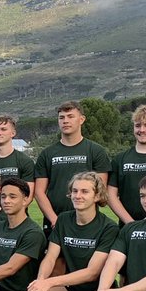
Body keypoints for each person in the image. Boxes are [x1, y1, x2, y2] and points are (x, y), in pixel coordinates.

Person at [33, 101, 111, 236]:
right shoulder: (47, 153)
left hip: (86, 223)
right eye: (61, 117)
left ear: (82, 119)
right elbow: (39, 192)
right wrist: (54, 220)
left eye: (70, 116)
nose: (65, 121)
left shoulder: (96, 151)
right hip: (54, 222)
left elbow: (100, 190)